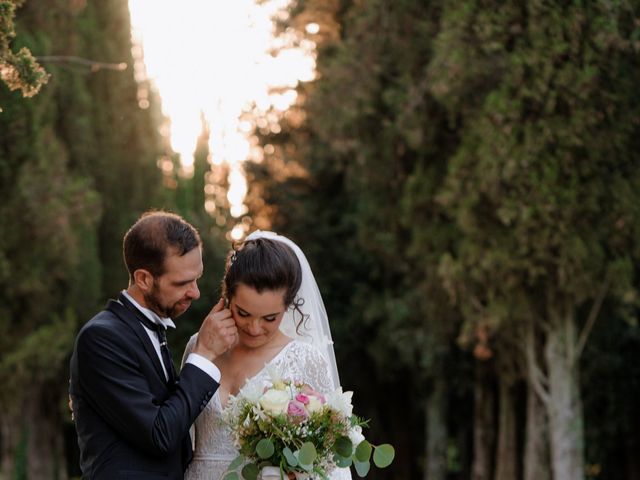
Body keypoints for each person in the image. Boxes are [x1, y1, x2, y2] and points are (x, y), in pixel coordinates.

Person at [69, 211, 238, 479]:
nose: (195, 292)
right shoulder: (101, 339)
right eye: (182, 283)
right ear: (144, 279)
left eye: (197, 278)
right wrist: (204, 354)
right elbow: (160, 434)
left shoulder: (152, 330)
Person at [182, 230, 351, 480]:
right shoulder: (199, 345)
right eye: (243, 313)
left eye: (270, 318)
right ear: (227, 296)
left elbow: (329, 461)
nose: (254, 328)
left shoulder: (305, 359)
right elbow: (177, 427)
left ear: (289, 306)